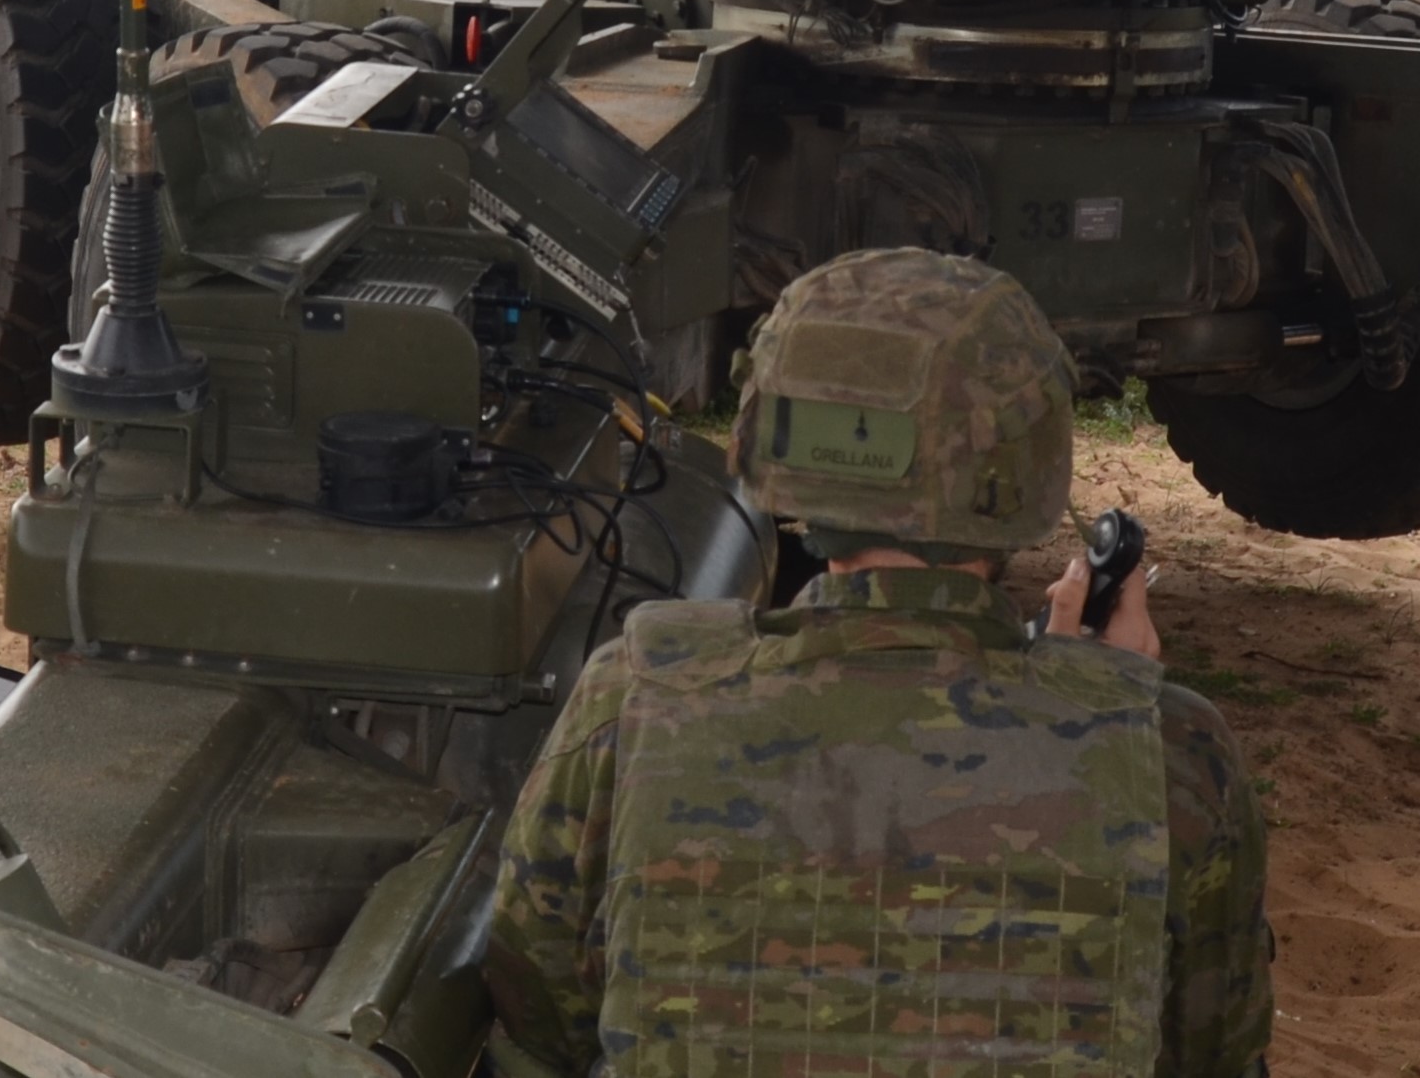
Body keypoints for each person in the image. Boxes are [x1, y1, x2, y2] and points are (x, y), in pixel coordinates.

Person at [482, 247, 1273, 1078]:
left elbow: (541, 1016)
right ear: (1030, 463)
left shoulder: (633, 698)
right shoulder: (1175, 753)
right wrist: (1109, 719)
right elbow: (1211, 1050)